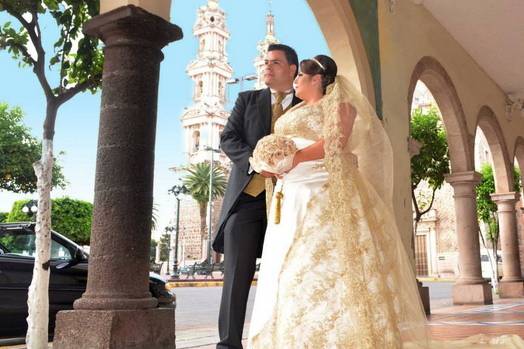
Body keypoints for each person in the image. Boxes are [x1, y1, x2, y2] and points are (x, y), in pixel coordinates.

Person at [247, 55, 524, 348]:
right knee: (291, 267)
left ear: (316, 79)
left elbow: (336, 141)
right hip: (292, 195)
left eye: (300, 77)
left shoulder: (341, 106)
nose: (296, 82)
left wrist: (293, 158)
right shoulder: (291, 112)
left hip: (328, 190)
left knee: (332, 260)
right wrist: (270, 164)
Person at [213, 44, 302, 349]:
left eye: (275, 62)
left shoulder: (308, 104)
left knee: (291, 274)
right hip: (248, 199)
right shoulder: (246, 99)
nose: (267, 67)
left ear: (292, 69)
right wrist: (256, 161)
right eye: (265, 62)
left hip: (293, 202)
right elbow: (228, 138)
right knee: (236, 276)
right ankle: (227, 344)